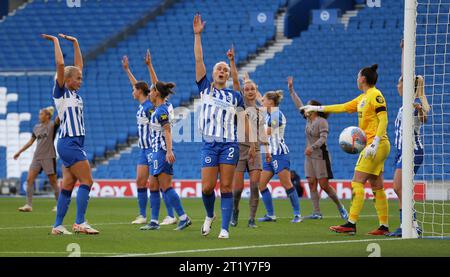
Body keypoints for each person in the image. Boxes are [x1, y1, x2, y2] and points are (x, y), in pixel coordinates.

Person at [301, 64, 391, 235]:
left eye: (358, 76)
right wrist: (317, 108)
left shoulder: (376, 95)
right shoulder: (363, 98)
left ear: (363, 79)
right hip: (376, 146)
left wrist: (375, 142)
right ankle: (384, 226)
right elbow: (342, 107)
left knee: (356, 182)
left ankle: (351, 223)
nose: (357, 79)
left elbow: (383, 120)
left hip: (376, 145)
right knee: (377, 185)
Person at [193, 14, 246, 239]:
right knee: (206, 188)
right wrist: (197, 36)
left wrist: (232, 63)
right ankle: (209, 215)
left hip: (229, 145)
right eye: (218, 69)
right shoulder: (205, 88)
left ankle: (224, 229)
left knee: (225, 187)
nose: (221, 71)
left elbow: (238, 84)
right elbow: (199, 60)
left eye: (224, 69)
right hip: (209, 144)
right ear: (213, 75)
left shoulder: (235, 96)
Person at [42, 33, 98, 235]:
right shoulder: (61, 92)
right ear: (66, 80)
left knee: (68, 184)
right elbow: (60, 65)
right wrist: (57, 43)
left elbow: (78, 66)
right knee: (87, 181)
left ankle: (57, 226)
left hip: (72, 144)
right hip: (69, 143)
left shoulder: (73, 93)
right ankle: (80, 222)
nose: (81, 80)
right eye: (78, 78)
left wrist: (76, 43)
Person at [287, 76, 348, 220]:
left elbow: (323, 138)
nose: (306, 108)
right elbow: (298, 105)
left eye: (309, 106)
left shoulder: (322, 122)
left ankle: (341, 207)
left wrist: (312, 147)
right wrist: (291, 90)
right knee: (311, 182)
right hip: (309, 156)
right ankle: (317, 212)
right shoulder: (308, 119)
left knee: (324, 185)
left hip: (321, 155)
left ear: (314, 109)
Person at [387, 40, 430, 237]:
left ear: (407, 86)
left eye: (400, 82)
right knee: (398, 187)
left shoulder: (413, 105)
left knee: (398, 186)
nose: (397, 85)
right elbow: (405, 72)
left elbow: (424, 118)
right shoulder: (406, 104)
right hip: (401, 150)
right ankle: (409, 224)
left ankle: (411, 224)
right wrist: (404, 51)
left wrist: (420, 110)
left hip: (412, 150)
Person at [139, 81, 192, 231]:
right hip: (155, 152)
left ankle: (183, 218)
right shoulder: (158, 109)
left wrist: (169, 151)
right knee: (154, 186)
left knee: (166, 186)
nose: (149, 93)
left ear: (156, 93)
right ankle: (154, 221)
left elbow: (167, 131)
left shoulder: (162, 111)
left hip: (161, 152)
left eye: (151, 91)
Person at [227, 47, 265, 228]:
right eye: (246, 88)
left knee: (255, 186)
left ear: (256, 92)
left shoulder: (260, 110)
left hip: (255, 150)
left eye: (252, 89)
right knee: (238, 189)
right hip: (239, 149)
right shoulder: (239, 104)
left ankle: (251, 219)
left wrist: (267, 151)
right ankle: (235, 211)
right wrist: (232, 62)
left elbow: (263, 133)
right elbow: (235, 80)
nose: (249, 91)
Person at [258, 91, 302, 223]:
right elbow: (258, 97)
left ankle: (297, 215)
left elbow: (267, 133)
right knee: (261, 185)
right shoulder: (269, 114)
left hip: (280, 154)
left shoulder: (277, 115)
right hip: (270, 155)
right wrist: (248, 81)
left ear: (270, 102)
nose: (262, 102)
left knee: (286, 184)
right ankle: (270, 215)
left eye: (264, 100)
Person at [121, 54, 155, 225]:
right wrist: (127, 70)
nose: (132, 91)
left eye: (134, 89)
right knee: (140, 181)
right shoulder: (142, 106)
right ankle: (142, 215)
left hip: (152, 149)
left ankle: (171, 214)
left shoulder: (149, 107)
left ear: (140, 91)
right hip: (143, 150)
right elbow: (136, 84)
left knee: (159, 184)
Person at [14, 106, 60, 212]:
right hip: (37, 157)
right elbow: (30, 142)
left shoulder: (52, 125)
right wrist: (19, 152)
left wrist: (62, 107)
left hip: (49, 156)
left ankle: (59, 205)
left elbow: (58, 118)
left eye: (41, 114)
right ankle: (28, 205)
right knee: (29, 179)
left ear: (48, 116)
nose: (40, 116)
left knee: (53, 182)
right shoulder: (36, 127)